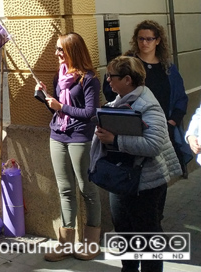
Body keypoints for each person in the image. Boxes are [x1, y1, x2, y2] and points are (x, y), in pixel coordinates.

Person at [90, 56, 181, 272]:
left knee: (147, 236)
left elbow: (153, 145)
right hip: (123, 179)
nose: (108, 81)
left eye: (111, 77)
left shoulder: (148, 105)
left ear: (128, 79)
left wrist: (115, 140)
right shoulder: (120, 100)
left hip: (146, 184)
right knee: (124, 232)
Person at [35, 33, 101, 261]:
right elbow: (57, 111)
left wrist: (61, 106)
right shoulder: (59, 76)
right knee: (65, 190)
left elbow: (90, 113)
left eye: (61, 50)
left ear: (73, 51)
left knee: (87, 189)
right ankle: (65, 244)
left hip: (80, 138)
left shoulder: (88, 79)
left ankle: (91, 243)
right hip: (58, 135)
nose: (56, 54)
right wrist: (45, 98)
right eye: (56, 49)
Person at [111, 21, 192, 178]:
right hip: (133, 128)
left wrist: (171, 123)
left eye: (149, 39)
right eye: (141, 39)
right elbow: (112, 88)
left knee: (160, 174)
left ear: (158, 40)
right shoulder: (128, 63)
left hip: (162, 128)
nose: (144, 43)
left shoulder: (167, 68)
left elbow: (181, 98)